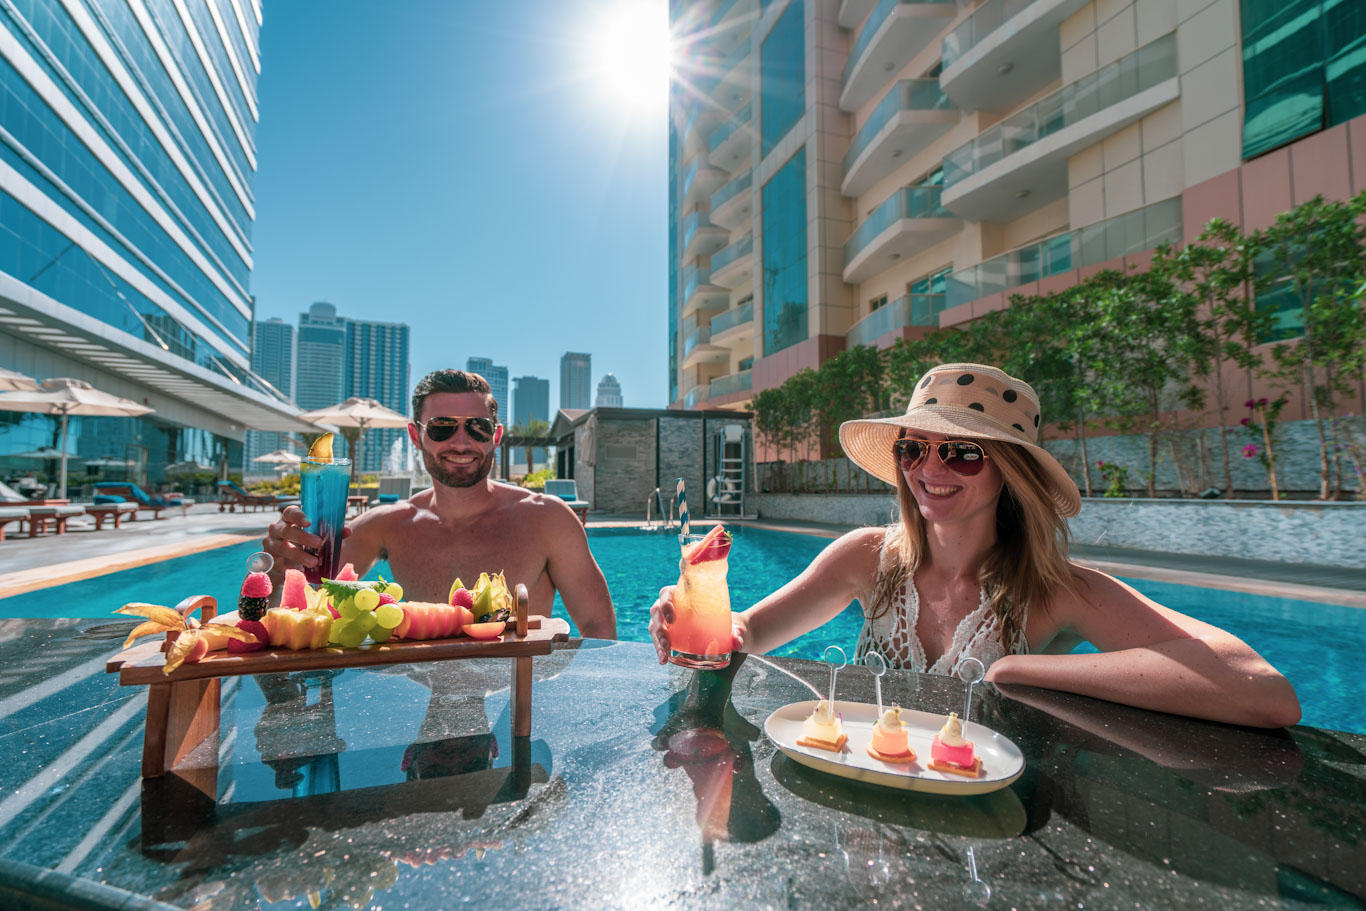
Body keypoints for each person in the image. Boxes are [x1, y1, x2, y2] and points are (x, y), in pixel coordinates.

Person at [650, 363, 1300, 728]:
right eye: (915, 448)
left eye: (961, 452)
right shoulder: (865, 559)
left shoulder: (1059, 593)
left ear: (1010, 473)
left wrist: (1018, 671)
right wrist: (696, 621)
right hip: (863, 808)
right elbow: (749, 632)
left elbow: (1260, 688)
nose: (930, 471)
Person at [264, 369, 616, 640]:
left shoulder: (548, 519)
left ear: (495, 437)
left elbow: (596, 624)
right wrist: (277, 568)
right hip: (421, 705)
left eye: (476, 428)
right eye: (442, 427)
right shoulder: (387, 525)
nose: (461, 442)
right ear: (416, 436)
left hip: (519, 702)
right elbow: (299, 600)